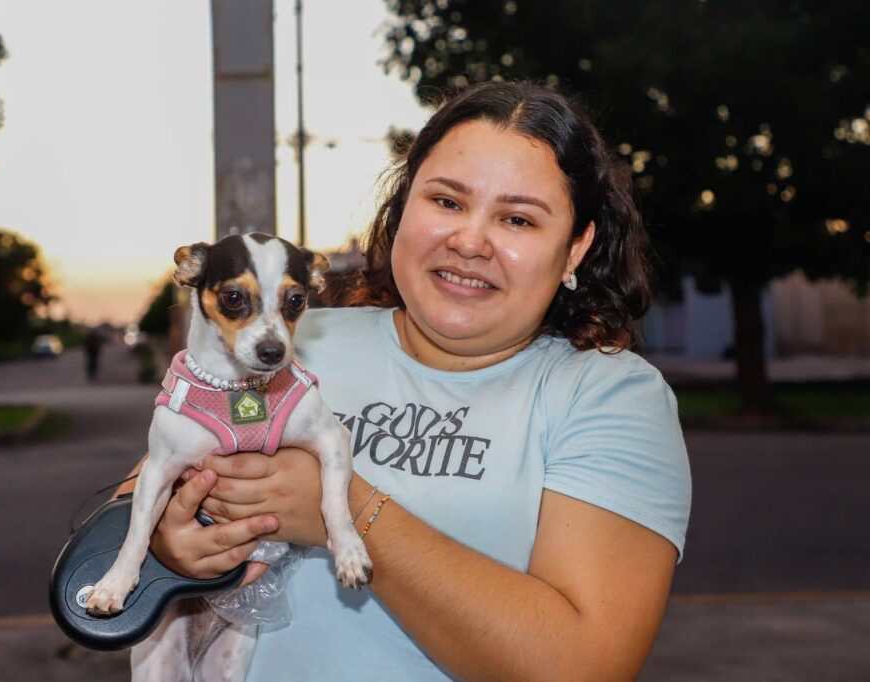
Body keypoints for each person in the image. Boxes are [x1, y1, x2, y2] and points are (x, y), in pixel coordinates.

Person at [132, 81, 692, 680]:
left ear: (576, 248)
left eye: (518, 219)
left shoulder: (610, 397)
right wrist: (169, 543)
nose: (469, 241)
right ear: (402, 209)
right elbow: (145, 491)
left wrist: (342, 508)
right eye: (447, 202)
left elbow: (581, 666)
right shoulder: (287, 346)